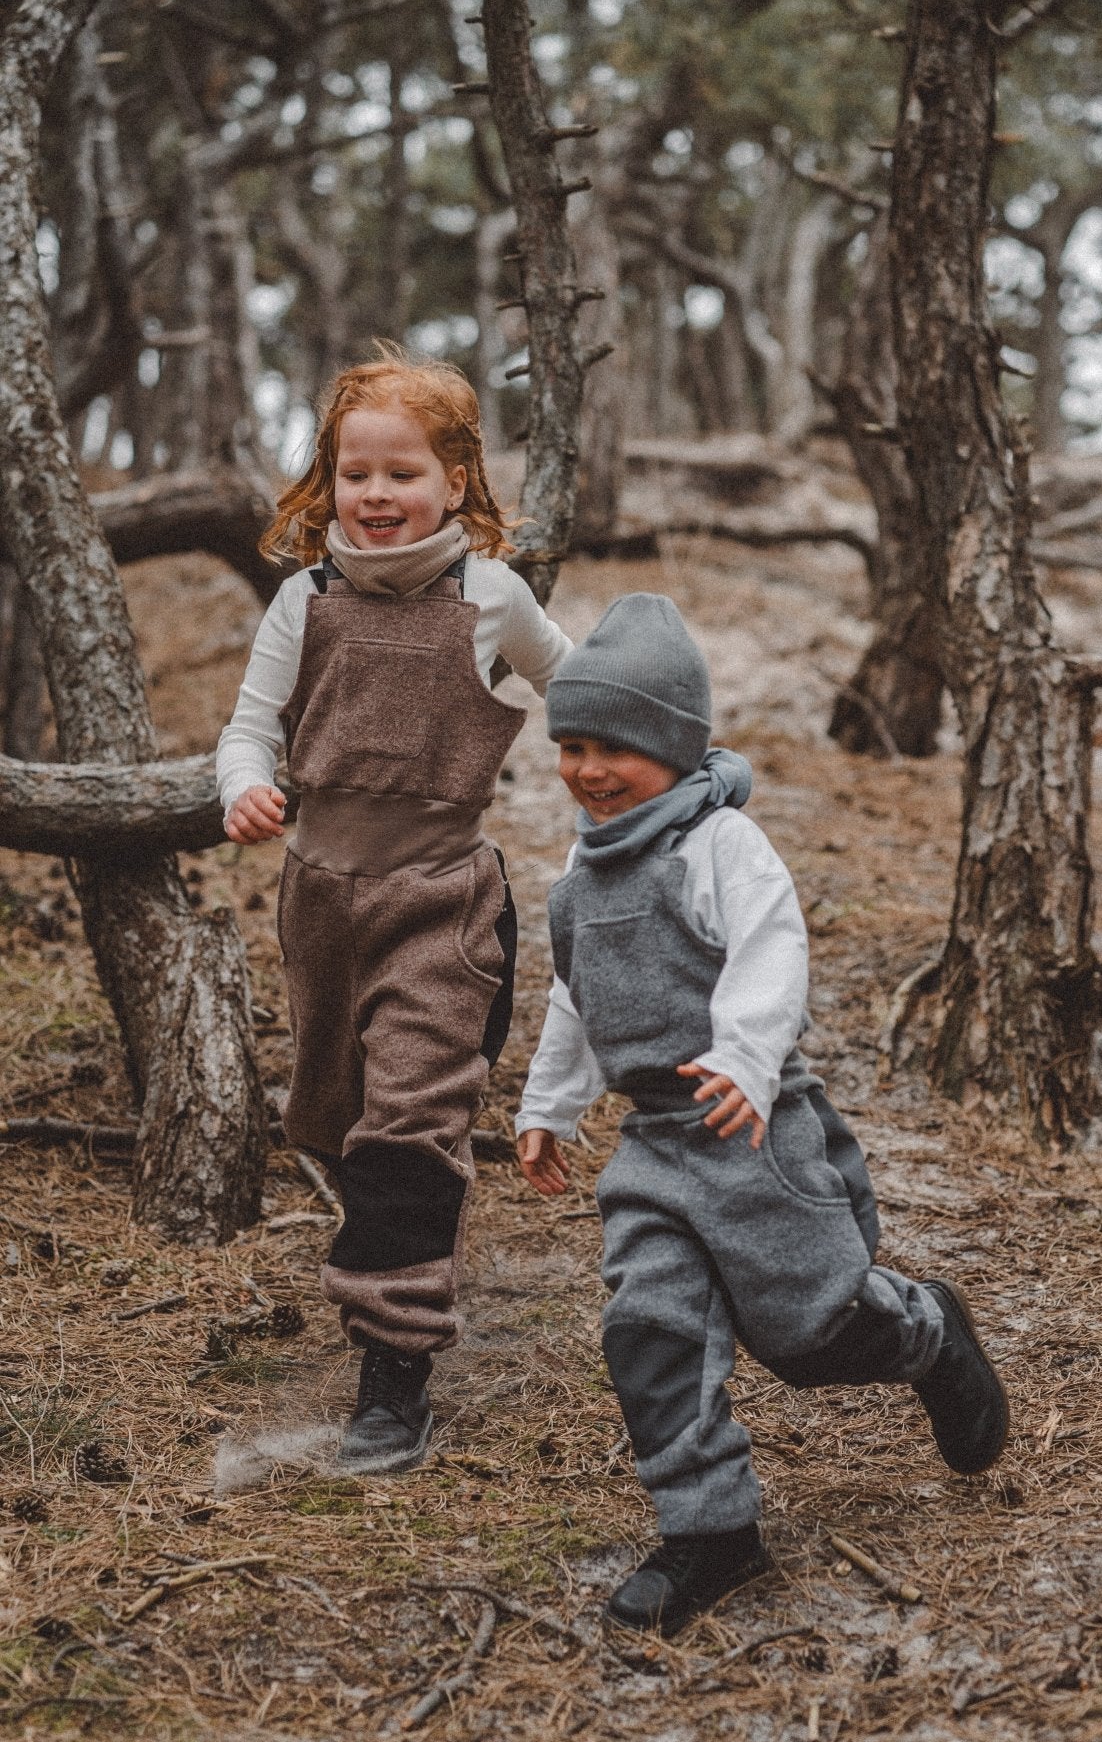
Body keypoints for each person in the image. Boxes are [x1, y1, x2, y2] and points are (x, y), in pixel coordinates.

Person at [516, 593, 1010, 1637]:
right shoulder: (582, 867)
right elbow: (575, 992)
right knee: (648, 1326)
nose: (588, 768)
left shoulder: (719, 842)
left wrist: (742, 1054)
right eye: (571, 744)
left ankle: (926, 1332)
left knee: (811, 1333)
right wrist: (549, 1104)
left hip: (750, 1130)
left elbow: (772, 951)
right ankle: (711, 1531)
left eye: (615, 745)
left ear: (675, 744)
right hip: (654, 1142)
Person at [217, 346, 573, 1474]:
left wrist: (673, 754)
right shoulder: (303, 599)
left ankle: (393, 1377)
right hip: (322, 906)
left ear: (455, 482)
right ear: (330, 483)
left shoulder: (491, 596)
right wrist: (243, 786)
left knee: (409, 1129)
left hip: (442, 905)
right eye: (355, 473)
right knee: (335, 1118)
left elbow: (582, 683)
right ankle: (393, 1264)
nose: (377, 496)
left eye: (402, 473)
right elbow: (247, 727)